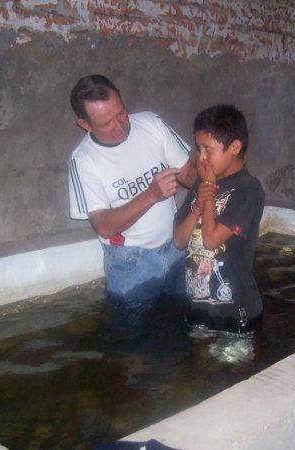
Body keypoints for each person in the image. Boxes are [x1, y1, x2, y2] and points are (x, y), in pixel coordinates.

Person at [68, 75, 196, 317]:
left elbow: (188, 173)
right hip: (130, 261)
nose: (120, 126)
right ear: (85, 124)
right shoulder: (83, 160)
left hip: (176, 245)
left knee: (182, 317)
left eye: (121, 113)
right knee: (131, 333)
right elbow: (103, 226)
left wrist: (217, 180)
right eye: (106, 123)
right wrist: (151, 195)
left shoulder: (151, 123)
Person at [173, 105, 265, 333]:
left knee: (233, 369)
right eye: (198, 149)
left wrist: (209, 194)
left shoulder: (248, 190)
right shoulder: (202, 184)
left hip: (235, 313)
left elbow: (211, 241)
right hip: (198, 307)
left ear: (234, 147)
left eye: (208, 149)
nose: (201, 158)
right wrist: (197, 206)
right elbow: (179, 241)